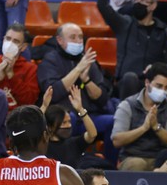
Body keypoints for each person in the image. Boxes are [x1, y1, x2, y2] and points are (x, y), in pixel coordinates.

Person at [37, 23, 117, 166]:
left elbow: (102, 98)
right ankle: (69, 164)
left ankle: (110, 166)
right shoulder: (50, 60)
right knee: (70, 118)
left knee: (112, 121)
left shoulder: (88, 61)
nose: (79, 41)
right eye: (73, 37)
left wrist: (86, 80)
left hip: (87, 115)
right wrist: (78, 69)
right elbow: (54, 92)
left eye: (80, 37)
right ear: (60, 40)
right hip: (63, 117)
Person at [99, 0, 167, 100]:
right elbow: (103, 7)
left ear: (153, 6)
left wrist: (157, 69)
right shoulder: (124, 23)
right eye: (136, 0)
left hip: (153, 84)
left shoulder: (163, 31)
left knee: (165, 84)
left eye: (143, 1)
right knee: (130, 78)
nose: (138, 4)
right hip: (127, 83)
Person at [111, 62, 167, 171]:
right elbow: (117, 140)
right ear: (147, 83)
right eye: (159, 86)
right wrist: (144, 128)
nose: (162, 91)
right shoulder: (127, 105)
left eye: (166, 88)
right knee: (137, 164)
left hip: (161, 158)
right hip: (132, 157)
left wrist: (156, 127)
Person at [0, 23, 39, 111]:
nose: (10, 44)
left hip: (18, 119)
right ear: (3, 40)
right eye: (8, 39)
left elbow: (29, 102)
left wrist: (12, 77)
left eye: (15, 41)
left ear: (23, 47)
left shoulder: (31, 69)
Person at [43, 86, 98, 169]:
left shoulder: (74, 143)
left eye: (69, 122)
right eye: (64, 123)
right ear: (50, 126)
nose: (69, 125)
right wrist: (44, 106)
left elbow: (92, 134)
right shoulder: (42, 146)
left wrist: (80, 109)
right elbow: (31, 130)